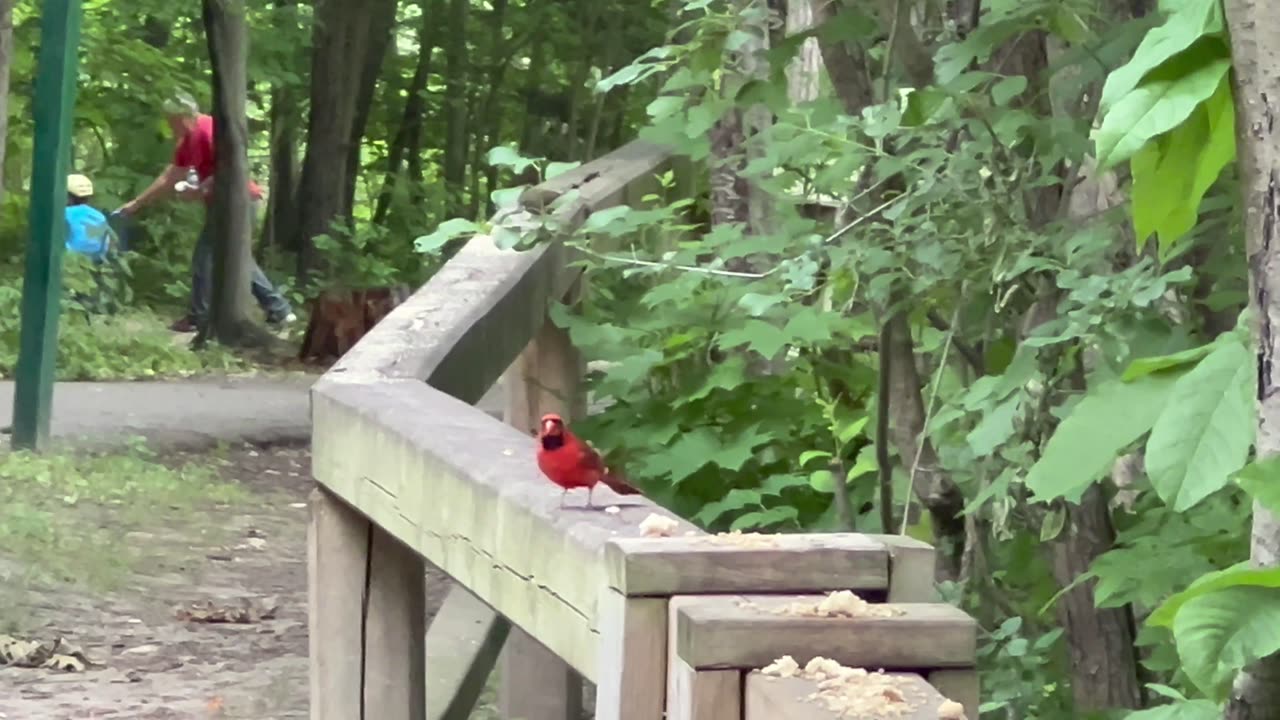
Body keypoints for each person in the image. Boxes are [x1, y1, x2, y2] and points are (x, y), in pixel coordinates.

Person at [119, 92, 294, 333]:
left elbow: (228, 164)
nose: (169, 126)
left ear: (182, 117)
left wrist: (199, 190)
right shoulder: (187, 140)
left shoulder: (207, 130)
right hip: (220, 204)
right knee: (236, 256)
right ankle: (278, 309)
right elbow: (170, 176)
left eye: (171, 120)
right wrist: (137, 204)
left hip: (239, 201)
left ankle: (198, 316)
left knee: (206, 256)